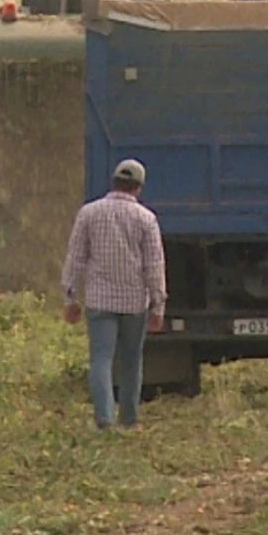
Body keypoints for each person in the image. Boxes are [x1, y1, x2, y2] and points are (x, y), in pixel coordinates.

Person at [61, 159, 167, 430]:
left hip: (99, 301)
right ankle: (129, 419)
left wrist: (70, 298)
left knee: (100, 359)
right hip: (134, 303)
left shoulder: (89, 213)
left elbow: (75, 258)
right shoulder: (146, 219)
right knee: (131, 360)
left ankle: (104, 420)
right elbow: (154, 266)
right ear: (139, 187)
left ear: (113, 181)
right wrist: (158, 307)